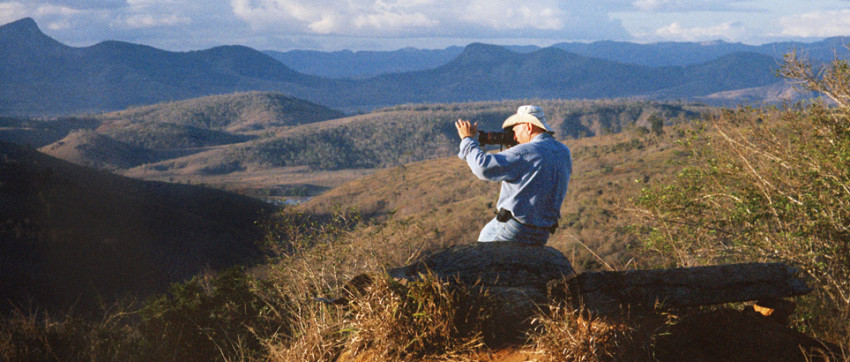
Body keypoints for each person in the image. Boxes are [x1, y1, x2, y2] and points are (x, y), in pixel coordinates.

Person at [455, 105, 572, 245]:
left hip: (512, 229)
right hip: (542, 234)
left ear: (529, 127)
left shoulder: (525, 152)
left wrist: (468, 140)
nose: (513, 134)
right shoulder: (563, 151)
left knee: (479, 260)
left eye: (515, 128)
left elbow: (482, 167)